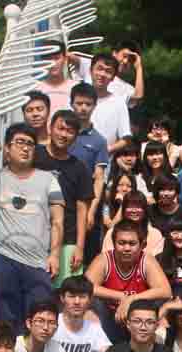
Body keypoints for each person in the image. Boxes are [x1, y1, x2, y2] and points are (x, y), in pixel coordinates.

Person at [0, 123, 64, 328]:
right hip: (4, 256)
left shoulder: (48, 179)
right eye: (20, 142)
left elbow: (58, 220)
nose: (25, 148)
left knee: (40, 318)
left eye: (30, 144)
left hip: (38, 261)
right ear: (7, 148)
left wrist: (55, 255)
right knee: (6, 319)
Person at [86, 219, 172, 342]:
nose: (126, 248)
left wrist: (131, 299)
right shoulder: (104, 259)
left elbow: (165, 291)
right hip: (109, 317)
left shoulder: (146, 260)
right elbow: (85, 287)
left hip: (139, 318)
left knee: (161, 311)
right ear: (114, 243)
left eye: (132, 243)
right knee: (90, 305)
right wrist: (121, 296)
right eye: (121, 243)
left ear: (142, 245)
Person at [35, 110, 93, 287]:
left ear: (75, 137)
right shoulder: (34, 155)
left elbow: (82, 210)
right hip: (34, 235)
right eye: (60, 128)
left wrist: (80, 247)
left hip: (67, 239)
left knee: (65, 292)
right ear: (50, 128)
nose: (64, 134)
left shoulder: (80, 168)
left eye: (70, 131)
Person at [69, 82, 109, 261]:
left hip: (86, 202)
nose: (83, 108)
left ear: (94, 106)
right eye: (79, 103)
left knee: (86, 254)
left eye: (88, 104)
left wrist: (92, 211)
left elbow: (99, 178)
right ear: (71, 104)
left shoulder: (99, 141)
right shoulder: (61, 133)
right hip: (60, 200)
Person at [53, 275, 112, 352]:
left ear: (90, 300)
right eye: (71, 296)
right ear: (62, 298)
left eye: (82, 297)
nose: (77, 302)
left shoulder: (94, 328)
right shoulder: (52, 323)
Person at [76, 43, 145, 109]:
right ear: (115, 53)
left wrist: (139, 67)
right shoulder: (94, 64)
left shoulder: (127, 88)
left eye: (130, 60)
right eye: (124, 56)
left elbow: (137, 97)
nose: (126, 61)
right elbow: (71, 58)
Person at [87, 54, 131, 151]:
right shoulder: (77, 97)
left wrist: (106, 151)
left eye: (108, 71)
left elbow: (125, 138)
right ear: (90, 70)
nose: (102, 74)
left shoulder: (118, 102)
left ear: (113, 77)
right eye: (99, 69)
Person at [103, 190, 164, 257]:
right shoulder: (112, 232)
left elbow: (157, 260)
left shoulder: (155, 234)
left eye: (138, 207)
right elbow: (106, 258)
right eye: (130, 207)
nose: (134, 210)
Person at [34, 42, 77, 113]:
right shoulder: (37, 90)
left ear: (65, 59)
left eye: (57, 58)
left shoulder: (76, 88)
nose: (53, 63)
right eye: (49, 59)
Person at [147, 174, 182, 238]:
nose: (166, 193)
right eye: (162, 190)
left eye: (170, 190)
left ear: (176, 192)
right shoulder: (150, 210)